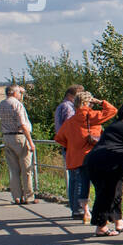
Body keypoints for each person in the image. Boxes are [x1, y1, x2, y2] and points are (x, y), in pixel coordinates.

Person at [54, 91, 116, 224]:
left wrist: (72, 145)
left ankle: (85, 211)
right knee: (100, 184)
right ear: (88, 102)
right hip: (93, 155)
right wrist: (101, 102)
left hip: (77, 157)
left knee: (83, 183)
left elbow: (59, 138)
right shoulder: (92, 116)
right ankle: (103, 211)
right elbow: (112, 110)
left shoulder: (70, 121)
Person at [84, 102, 123, 237]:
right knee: (107, 195)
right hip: (108, 164)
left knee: (114, 193)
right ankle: (101, 226)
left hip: (98, 161)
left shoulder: (115, 126)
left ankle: (118, 221)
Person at [0, 84, 36, 204]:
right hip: (19, 137)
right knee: (26, 169)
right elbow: (22, 124)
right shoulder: (17, 104)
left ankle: (17, 196)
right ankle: (29, 196)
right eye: (19, 92)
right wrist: (30, 141)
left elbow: (18, 103)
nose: (20, 94)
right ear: (14, 93)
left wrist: (22, 93)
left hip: (7, 137)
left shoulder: (2, 104)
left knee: (13, 169)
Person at [54, 84, 84, 217]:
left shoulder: (62, 106)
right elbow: (72, 127)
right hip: (73, 147)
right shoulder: (68, 108)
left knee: (73, 178)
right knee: (78, 178)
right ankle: (78, 208)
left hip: (67, 146)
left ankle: (74, 207)